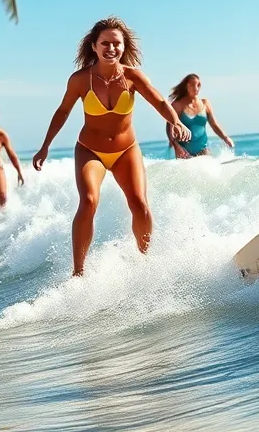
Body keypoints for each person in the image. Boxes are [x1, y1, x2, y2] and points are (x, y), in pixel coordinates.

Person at [31, 16, 192, 276]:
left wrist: (175, 121)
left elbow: (160, 101)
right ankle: (79, 273)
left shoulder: (132, 77)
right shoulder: (81, 80)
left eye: (116, 44)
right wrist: (45, 146)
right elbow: (62, 111)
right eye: (105, 43)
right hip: (90, 151)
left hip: (126, 150)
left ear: (123, 46)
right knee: (89, 201)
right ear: (94, 46)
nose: (111, 49)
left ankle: (145, 263)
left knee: (139, 203)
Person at [166, 73, 234, 158]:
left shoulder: (205, 103)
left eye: (198, 85)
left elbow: (214, 125)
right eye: (193, 85)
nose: (196, 88)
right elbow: (169, 128)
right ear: (186, 86)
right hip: (184, 152)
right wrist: (176, 146)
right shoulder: (177, 105)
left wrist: (225, 138)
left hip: (203, 149)